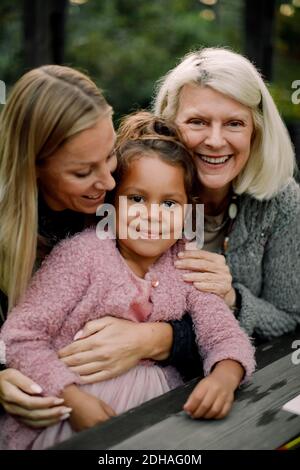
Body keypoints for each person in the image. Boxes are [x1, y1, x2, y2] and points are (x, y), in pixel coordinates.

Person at [0, 112, 255, 449]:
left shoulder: (186, 265)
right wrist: (73, 399)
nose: (152, 214)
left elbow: (223, 335)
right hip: (69, 418)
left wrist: (225, 376)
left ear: (187, 211)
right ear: (112, 203)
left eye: (169, 203)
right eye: (137, 198)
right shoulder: (82, 256)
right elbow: (21, 337)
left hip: (154, 418)